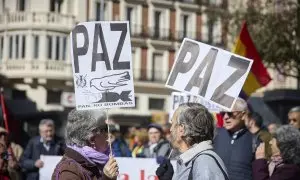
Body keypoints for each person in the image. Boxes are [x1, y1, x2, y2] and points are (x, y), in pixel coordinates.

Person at [156, 103, 228, 180]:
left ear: (181, 129)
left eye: (173, 123)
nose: (170, 129)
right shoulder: (193, 160)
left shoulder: (204, 162)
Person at [52, 109, 119, 180]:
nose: (109, 134)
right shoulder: (69, 171)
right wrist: (106, 178)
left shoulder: (93, 162)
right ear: (92, 139)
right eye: (105, 129)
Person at [214, 97, 260, 180]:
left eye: (230, 113)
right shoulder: (215, 134)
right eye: (223, 113)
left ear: (243, 115)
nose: (225, 117)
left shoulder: (255, 140)